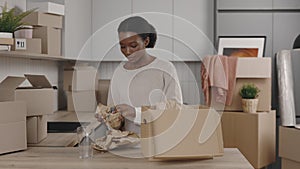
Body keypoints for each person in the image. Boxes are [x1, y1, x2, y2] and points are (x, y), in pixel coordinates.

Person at [96, 16, 182, 135]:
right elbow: (115, 116)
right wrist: (108, 118)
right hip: (127, 145)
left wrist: (137, 113)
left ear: (145, 42)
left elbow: (175, 109)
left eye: (133, 45)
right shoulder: (119, 72)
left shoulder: (165, 68)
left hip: (159, 141)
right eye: (122, 46)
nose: (128, 52)